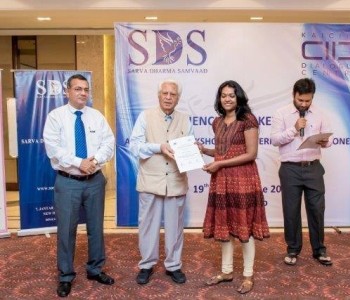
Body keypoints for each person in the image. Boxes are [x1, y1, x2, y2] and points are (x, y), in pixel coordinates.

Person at [43, 74, 115, 297]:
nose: (83, 93)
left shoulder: (96, 116)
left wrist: (93, 161)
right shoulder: (56, 117)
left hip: (94, 180)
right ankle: (66, 275)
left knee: (96, 229)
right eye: (77, 89)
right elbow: (53, 149)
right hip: (68, 182)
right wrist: (79, 163)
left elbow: (108, 143)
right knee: (66, 231)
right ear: (67, 91)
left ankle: (95, 269)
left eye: (86, 89)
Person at [199, 80, 270, 295]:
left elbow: (251, 154)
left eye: (231, 95)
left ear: (238, 97)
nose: (227, 99)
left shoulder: (247, 120)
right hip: (222, 181)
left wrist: (219, 163)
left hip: (243, 179)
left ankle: (248, 275)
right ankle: (226, 271)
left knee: (244, 228)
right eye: (223, 95)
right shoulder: (217, 122)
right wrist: (204, 150)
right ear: (219, 99)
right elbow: (222, 151)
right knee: (226, 227)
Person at [130, 79, 192, 286]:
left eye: (172, 94)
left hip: (176, 181)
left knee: (175, 227)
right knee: (147, 225)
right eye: (164, 93)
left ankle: (173, 265)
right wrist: (159, 147)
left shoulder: (185, 119)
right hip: (150, 180)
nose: (168, 97)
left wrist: (193, 150)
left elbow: (188, 148)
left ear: (178, 98)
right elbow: (135, 147)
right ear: (158, 95)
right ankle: (146, 264)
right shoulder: (145, 116)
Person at [270, 78, 333, 267]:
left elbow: (329, 139)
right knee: (291, 211)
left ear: (312, 97)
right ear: (294, 96)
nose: (304, 104)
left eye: (307, 100)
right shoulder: (281, 114)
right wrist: (294, 129)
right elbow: (274, 139)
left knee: (316, 210)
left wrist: (325, 141)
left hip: (313, 167)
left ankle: (319, 250)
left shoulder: (321, 113)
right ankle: (293, 249)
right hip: (290, 169)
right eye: (300, 100)